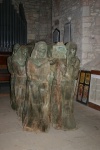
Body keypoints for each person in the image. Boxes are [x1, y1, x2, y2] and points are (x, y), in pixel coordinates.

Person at [22, 41, 51, 132]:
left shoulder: (47, 61)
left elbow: (48, 76)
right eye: (40, 49)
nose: (42, 51)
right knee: (32, 106)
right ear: (36, 49)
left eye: (44, 50)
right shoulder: (30, 60)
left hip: (43, 86)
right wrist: (34, 81)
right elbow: (29, 75)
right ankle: (32, 123)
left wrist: (44, 82)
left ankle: (43, 125)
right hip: (33, 86)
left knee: (43, 107)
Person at [62, 42, 80, 130]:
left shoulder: (76, 60)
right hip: (62, 82)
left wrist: (72, 66)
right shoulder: (63, 59)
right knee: (62, 101)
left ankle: (67, 120)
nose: (73, 52)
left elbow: (75, 75)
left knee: (68, 102)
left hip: (70, 83)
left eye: (75, 50)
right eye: (71, 50)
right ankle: (61, 120)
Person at [12, 45, 29, 117]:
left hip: (25, 81)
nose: (25, 53)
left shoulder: (27, 59)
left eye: (26, 52)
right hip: (19, 81)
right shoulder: (16, 60)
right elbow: (20, 71)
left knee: (26, 97)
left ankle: (24, 112)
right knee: (19, 97)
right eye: (24, 52)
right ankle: (20, 111)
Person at [7, 43, 20, 110]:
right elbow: (9, 68)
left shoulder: (20, 58)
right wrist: (13, 73)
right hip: (13, 76)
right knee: (13, 89)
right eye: (15, 48)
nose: (16, 49)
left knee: (18, 91)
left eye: (18, 48)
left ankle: (18, 104)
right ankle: (13, 103)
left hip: (19, 77)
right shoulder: (10, 58)